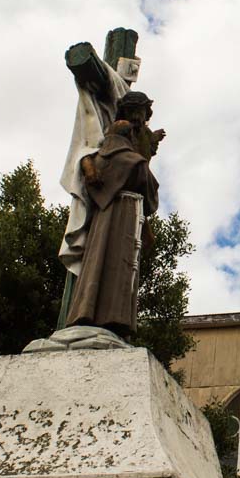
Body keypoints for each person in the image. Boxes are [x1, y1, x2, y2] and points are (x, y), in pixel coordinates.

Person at [64, 91, 162, 336]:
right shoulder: (116, 135)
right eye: (136, 113)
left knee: (123, 262)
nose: (139, 120)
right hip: (117, 206)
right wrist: (90, 170)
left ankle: (115, 317)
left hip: (130, 208)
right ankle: (95, 313)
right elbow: (100, 156)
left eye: (143, 115)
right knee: (106, 258)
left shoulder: (137, 138)